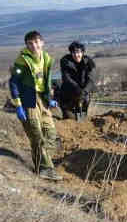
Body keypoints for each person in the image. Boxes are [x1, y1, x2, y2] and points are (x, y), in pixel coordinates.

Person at [9, 31, 62, 181]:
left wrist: (49, 98)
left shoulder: (46, 58)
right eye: (30, 43)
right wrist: (18, 105)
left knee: (51, 135)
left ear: (42, 42)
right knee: (36, 136)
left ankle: (41, 161)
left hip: (43, 100)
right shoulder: (22, 61)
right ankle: (45, 170)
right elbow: (13, 83)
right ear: (26, 45)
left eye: (37, 42)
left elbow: (45, 81)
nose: (34, 46)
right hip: (28, 101)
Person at [59, 41, 96, 120]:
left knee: (85, 102)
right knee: (69, 119)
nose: (76, 55)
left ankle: (82, 116)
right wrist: (77, 89)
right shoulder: (65, 62)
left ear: (82, 52)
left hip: (83, 93)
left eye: (79, 52)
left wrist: (84, 91)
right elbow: (67, 78)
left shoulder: (88, 62)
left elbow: (91, 79)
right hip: (68, 94)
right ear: (71, 53)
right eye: (74, 52)